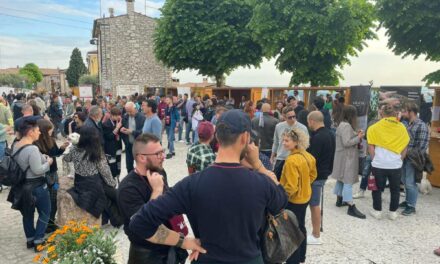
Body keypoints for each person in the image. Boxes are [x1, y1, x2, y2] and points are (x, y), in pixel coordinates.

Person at [129, 110, 287, 263]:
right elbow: (281, 201)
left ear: (217, 136)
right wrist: (259, 165)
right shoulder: (261, 183)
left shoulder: (191, 184)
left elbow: (140, 223)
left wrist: (184, 242)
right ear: (245, 137)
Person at [118, 133, 188, 263]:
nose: (163, 157)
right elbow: (144, 226)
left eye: (163, 151)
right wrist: (156, 191)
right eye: (158, 154)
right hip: (147, 255)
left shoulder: (159, 172)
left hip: (170, 248)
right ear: (142, 158)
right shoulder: (128, 188)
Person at [63, 127, 120, 226]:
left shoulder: (74, 148)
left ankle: (105, 219)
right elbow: (104, 169)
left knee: (107, 192)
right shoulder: (95, 150)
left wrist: (69, 146)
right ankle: (117, 219)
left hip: (80, 182)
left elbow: (67, 159)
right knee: (114, 194)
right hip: (93, 182)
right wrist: (112, 182)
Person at [9, 120, 53, 251]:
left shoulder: (16, 145)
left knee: (27, 214)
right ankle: (39, 240)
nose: (39, 132)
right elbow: (38, 170)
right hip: (37, 186)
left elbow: (24, 163)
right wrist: (49, 162)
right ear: (30, 132)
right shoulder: (32, 149)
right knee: (45, 212)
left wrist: (41, 157)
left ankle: (30, 239)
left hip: (22, 186)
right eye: (37, 130)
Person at [367, 102, 409, 220]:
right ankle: (393, 212)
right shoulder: (402, 127)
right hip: (395, 164)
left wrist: (375, 159)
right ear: (394, 113)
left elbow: (370, 146)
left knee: (377, 188)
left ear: (382, 113)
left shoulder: (374, 127)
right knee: (395, 189)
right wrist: (400, 159)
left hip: (379, 163)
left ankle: (377, 211)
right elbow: (405, 145)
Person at [281, 126, 317, 264]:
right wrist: (305, 185)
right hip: (305, 197)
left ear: (296, 142)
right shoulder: (309, 156)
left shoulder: (291, 160)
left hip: (293, 200)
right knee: (300, 226)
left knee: (291, 231)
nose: (284, 143)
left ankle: (293, 260)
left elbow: (290, 186)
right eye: (283, 140)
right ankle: (301, 257)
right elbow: (313, 174)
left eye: (287, 141)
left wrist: (282, 198)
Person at [34, 119, 69, 233]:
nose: (52, 131)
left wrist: (62, 148)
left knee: (54, 198)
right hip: (44, 175)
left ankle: (51, 221)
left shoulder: (51, 140)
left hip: (53, 174)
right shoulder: (36, 143)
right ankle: (45, 222)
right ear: (44, 130)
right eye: (50, 129)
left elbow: (55, 154)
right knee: (45, 200)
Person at [331, 105, 366, 219]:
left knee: (341, 179)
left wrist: (356, 134)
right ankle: (350, 205)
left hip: (343, 156)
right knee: (348, 181)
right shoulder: (346, 125)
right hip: (347, 158)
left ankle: (339, 199)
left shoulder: (342, 124)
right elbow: (346, 142)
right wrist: (359, 137)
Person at [306, 111, 335, 245]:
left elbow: (311, 158)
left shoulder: (318, 137)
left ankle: (316, 234)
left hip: (316, 175)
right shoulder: (330, 134)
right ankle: (315, 233)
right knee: (314, 204)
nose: (308, 125)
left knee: (314, 205)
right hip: (324, 172)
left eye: (308, 122)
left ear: (312, 121)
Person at [399, 103, 429, 216]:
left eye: (405, 111)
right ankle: (407, 201)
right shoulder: (408, 124)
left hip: (412, 160)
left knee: (410, 183)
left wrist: (406, 154)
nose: (403, 113)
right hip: (404, 158)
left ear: (411, 112)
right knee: (406, 182)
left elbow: (421, 147)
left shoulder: (421, 125)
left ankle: (411, 206)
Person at [271, 106, 308, 180]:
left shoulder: (302, 128)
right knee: (278, 182)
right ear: (284, 117)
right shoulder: (279, 126)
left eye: (294, 116)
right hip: (281, 158)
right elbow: (276, 142)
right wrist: (272, 155)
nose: (293, 119)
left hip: (296, 159)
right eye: (290, 117)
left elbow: (305, 145)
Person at [121, 102, 146, 173]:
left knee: (141, 166)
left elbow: (143, 132)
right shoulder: (125, 117)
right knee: (129, 166)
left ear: (135, 109)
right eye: (127, 111)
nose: (129, 113)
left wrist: (132, 132)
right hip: (128, 145)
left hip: (138, 146)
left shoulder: (142, 117)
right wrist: (122, 130)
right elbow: (123, 129)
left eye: (130, 111)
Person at [103, 107, 123, 182]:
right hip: (110, 148)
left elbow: (120, 134)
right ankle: (112, 179)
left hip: (118, 146)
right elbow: (109, 136)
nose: (118, 117)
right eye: (116, 115)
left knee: (118, 163)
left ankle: (118, 177)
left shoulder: (118, 122)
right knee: (112, 164)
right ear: (112, 115)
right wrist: (117, 128)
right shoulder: (106, 124)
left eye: (119, 115)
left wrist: (120, 129)